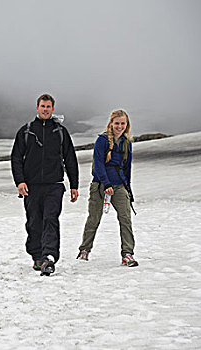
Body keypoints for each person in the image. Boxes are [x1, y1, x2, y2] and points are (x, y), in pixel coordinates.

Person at [11, 94, 79, 276]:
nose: (45, 109)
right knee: (34, 222)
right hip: (31, 186)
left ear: (53, 109)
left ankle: (49, 256)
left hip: (54, 185)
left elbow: (70, 158)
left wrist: (74, 185)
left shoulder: (60, 132)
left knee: (51, 219)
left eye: (49, 106)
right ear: (37, 108)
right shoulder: (26, 131)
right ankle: (36, 256)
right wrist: (20, 181)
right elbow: (16, 158)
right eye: (42, 106)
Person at [77, 109, 138, 267]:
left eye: (122, 123)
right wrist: (106, 184)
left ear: (127, 124)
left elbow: (127, 167)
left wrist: (128, 188)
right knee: (94, 218)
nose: (119, 126)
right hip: (100, 184)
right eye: (116, 123)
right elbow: (98, 164)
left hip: (119, 185)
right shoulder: (102, 140)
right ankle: (84, 250)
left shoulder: (126, 143)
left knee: (125, 219)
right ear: (111, 123)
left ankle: (127, 254)